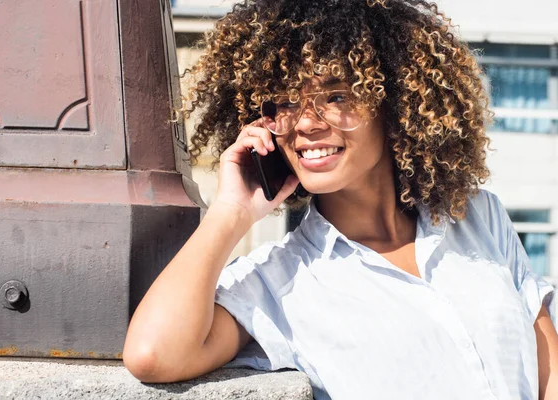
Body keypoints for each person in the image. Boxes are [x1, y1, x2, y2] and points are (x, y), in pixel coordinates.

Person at [122, 0, 558, 398]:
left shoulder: (478, 216)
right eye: (287, 103)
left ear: (394, 104)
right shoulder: (278, 282)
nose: (306, 123)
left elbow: (548, 373)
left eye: (335, 96)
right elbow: (152, 354)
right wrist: (229, 212)